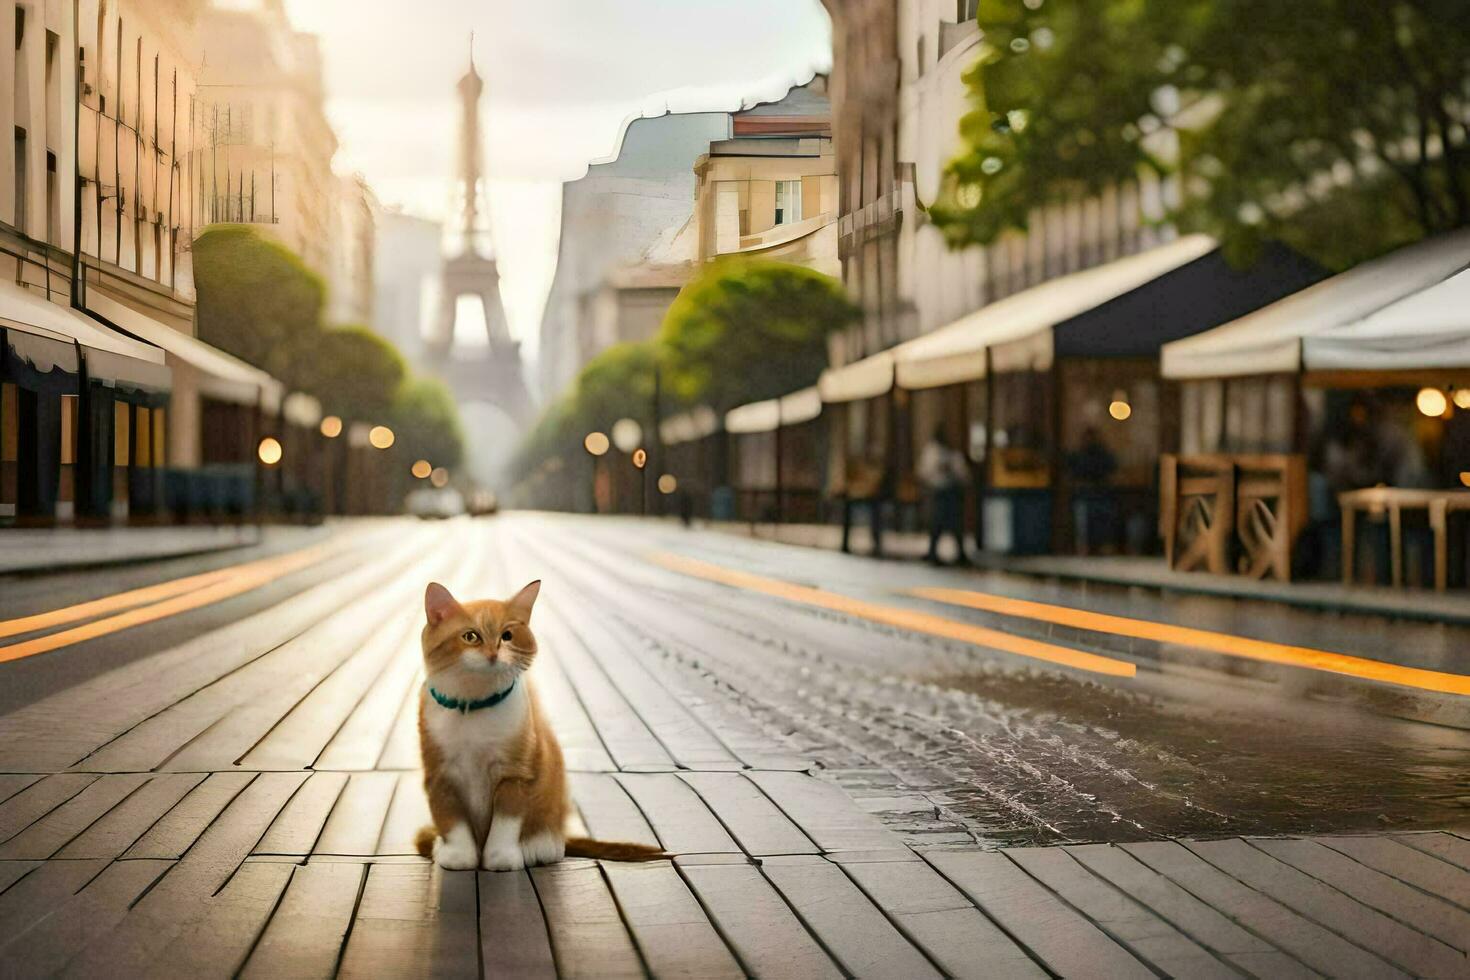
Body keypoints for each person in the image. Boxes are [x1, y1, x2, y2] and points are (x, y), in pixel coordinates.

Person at [918, 426, 970, 565]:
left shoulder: (953, 453)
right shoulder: (932, 452)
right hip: (938, 492)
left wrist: (953, 472)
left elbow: (963, 474)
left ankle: (960, 553)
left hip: (952, 492)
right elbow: (924, 472)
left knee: (955, 524)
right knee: (936, 523)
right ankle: (933, 552)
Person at [840, 455, 889, 557]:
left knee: (876, 510)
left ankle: (876, 542)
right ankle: (847, 543)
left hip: (872, 494)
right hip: (858, 490)